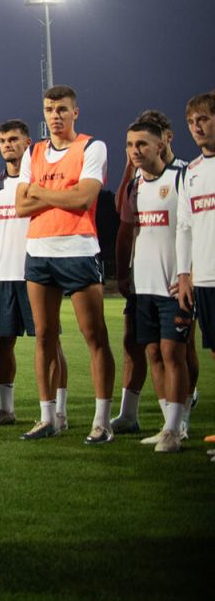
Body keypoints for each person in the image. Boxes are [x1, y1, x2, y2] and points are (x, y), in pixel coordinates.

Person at [15, 85, 115, 444]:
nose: (54, 115)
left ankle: (102, 422)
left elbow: (84, 198)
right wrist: (59, 196)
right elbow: (21, 207)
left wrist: (41, 192)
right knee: (44, 337)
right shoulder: (34, 151)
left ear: (75, 112)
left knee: (94, 336)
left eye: (61, 109)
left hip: (78, 249)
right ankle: (48, 418)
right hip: (40, 251)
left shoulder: (91, 147)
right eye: (48, 109)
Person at [0, 120, 68, 427]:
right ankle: (7, 410)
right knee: (4, 342)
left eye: (14, 139)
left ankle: (59, 412)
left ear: (28, 142)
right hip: (5, 274)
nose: (7, 144)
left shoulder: (40, 182)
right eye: (2, 140)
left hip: (37, 273)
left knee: (50, 341)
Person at [117, 119, 190, 452]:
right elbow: (134, 230)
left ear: (160, 145)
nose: (135, 151)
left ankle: (177, 429)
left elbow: (194, 228)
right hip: (143, 284)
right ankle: (168, 426)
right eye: (131, 145)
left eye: (142, 145)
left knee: (172, 353)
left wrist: (188, 272)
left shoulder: (182, 177)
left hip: (174, 285)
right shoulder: (136, 183)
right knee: (151, 353)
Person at [176, 91, 215, 457]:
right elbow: (185, 227)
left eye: (203, 119)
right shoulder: (191, 173)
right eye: (191, 121)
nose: (197, 127)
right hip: (204, 279)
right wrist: (185, 274)